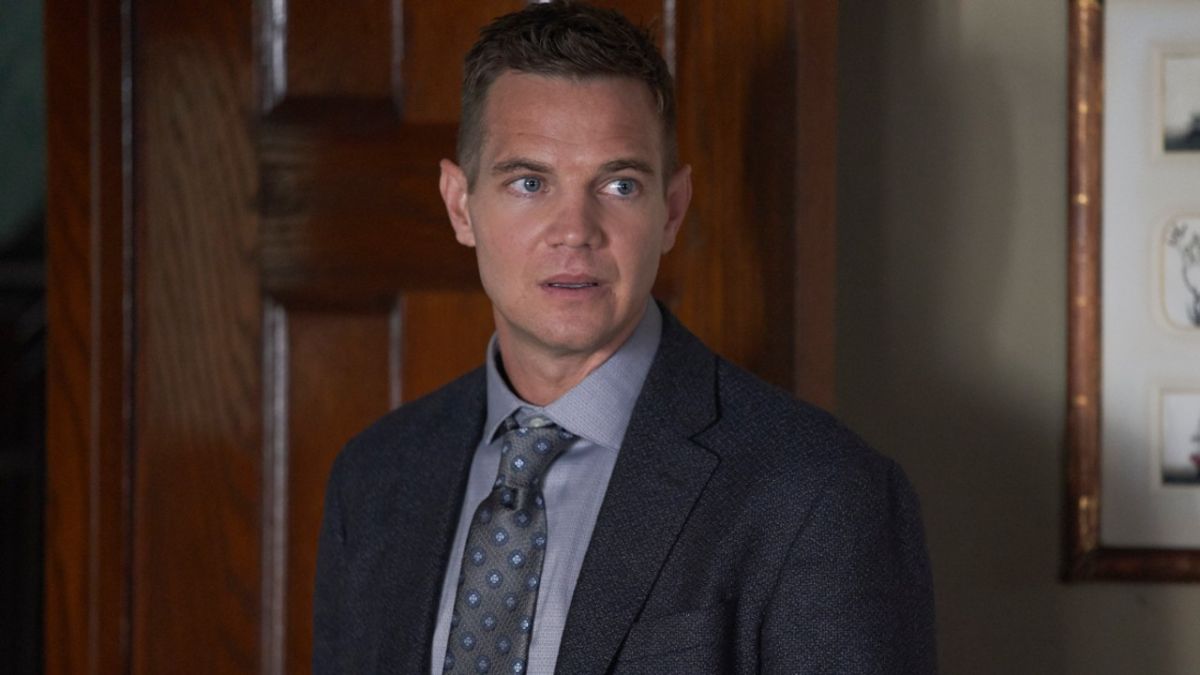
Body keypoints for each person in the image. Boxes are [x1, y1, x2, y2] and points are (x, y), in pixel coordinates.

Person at [312, 2, 936, 673]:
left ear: (671, 210)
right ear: (459, 204)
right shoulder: (374, 478)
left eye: (618, 184)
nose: (574, 231)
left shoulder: (821, 492)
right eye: (529, 182)